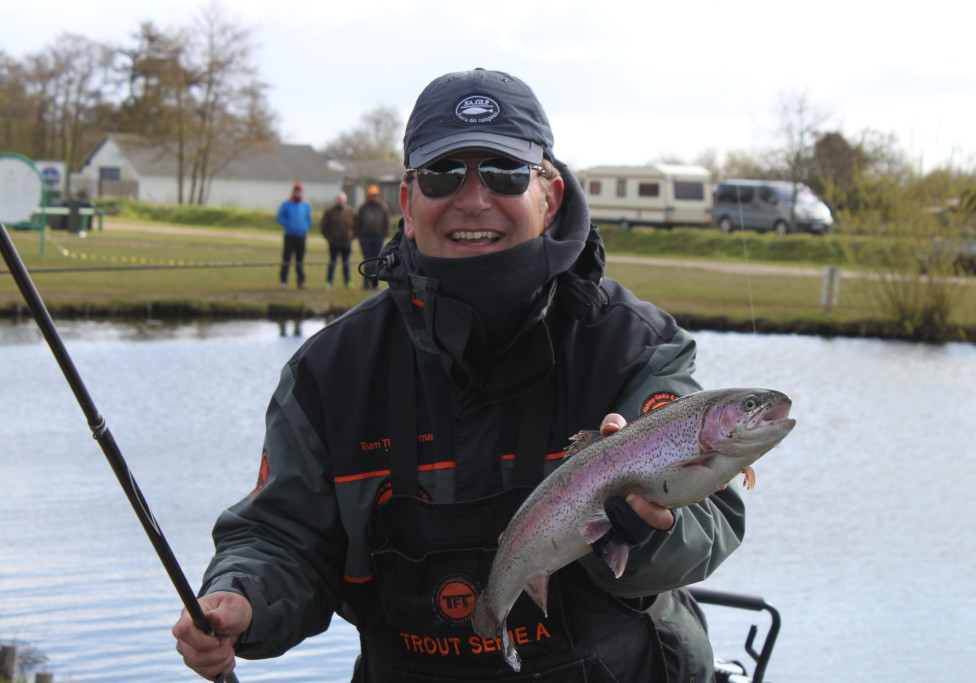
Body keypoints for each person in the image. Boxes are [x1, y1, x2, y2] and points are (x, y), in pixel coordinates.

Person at [173, 68, 744, 682]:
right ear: (408, 203)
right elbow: (281, 536)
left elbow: (708, 520)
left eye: (503, 172)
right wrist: (243, 597)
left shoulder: (636, 346)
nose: (474, 200)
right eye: (445, 174)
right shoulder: (329, 372)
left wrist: (646, 529)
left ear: (548, 196)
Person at [354, 184, 391, 289]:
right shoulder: (363, 208)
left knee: (376, 260)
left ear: (378, 195)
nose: (373, 197)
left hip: (379, 237)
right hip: (365, 238)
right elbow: (357, 222)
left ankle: (374, 284)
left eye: (375, 195)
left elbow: (387, 222)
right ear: (368, 195)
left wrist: (385, 234)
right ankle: (366, 283)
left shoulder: (383, 207)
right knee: (367, 260)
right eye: (371, 195)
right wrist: (359, 235)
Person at [276, 182, 312, 289]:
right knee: (286, 259)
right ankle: (283, 281)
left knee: (300, 260)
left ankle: (301, 282)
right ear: (293, 191)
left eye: (300, 191)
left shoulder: (305, 205)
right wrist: (288, 224)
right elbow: (279, 217)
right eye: (297, 191)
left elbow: (309, 219)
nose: (298, 193)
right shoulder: (286, 203)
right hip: (290, 236)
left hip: (301, 236)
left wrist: (305, 227)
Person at [320, 191, 357, 288]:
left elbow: (357, 226)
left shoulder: (351, 211)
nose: (340, 201)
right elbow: (324, 227)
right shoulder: (329, 212)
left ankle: (348, 282)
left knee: (346, 263)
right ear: (336, 201)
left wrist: (352, 237)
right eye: (339, 200)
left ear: (345, 200)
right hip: (334, 243)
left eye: (342, 200)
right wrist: (329, 238)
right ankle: (329, 281)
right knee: (332, 263)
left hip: (346, 242)